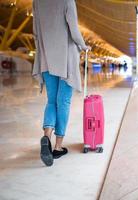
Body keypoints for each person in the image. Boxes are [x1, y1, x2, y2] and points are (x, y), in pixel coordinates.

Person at [32, 0, 89, 166]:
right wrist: (83, 45)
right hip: (64, 60)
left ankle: (46, 137)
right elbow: (74, 29)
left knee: (51, 101)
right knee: (63, 102)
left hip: (46, 59)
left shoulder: (37, 2)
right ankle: (57, 147)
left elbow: (35, 32)